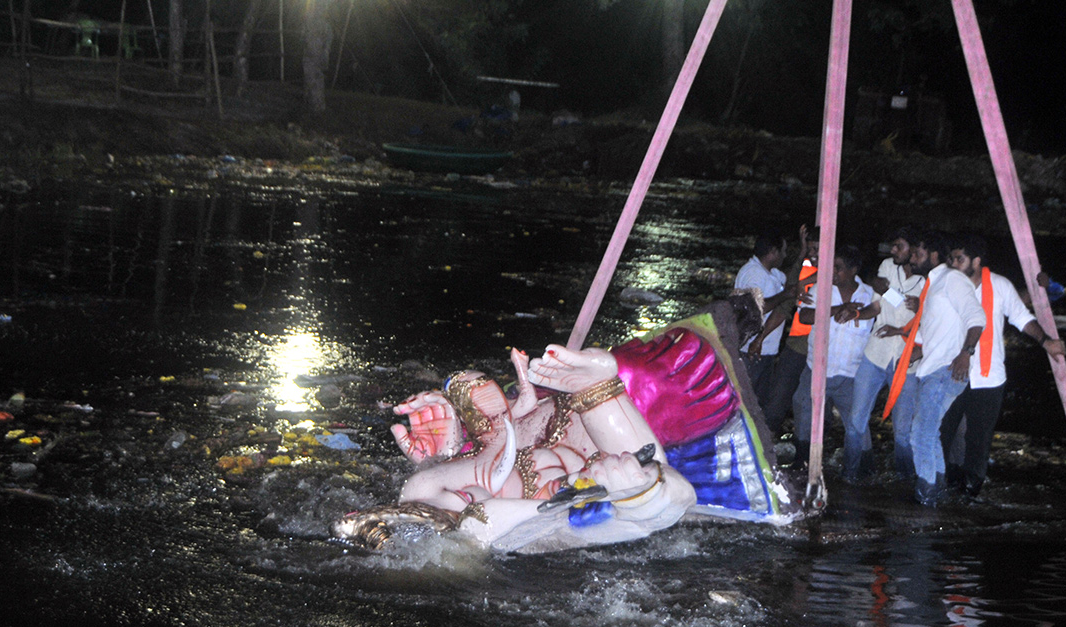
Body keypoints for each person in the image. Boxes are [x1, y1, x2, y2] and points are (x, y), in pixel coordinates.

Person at [333, 294, 798, 552]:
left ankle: (744, 314)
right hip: (638, 410)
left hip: (565, 403)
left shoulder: (472, 470)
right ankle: (744, 318)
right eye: (461, 495)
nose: (458, 490)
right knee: (646, 371)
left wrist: (453, 448)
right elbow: (664, 503)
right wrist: (637, 491)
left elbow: (457, 475)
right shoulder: (514, 526)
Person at [940, 236, 1066, 496]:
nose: (953, 264)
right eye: (951, 259)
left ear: (976, 261)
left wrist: (1046, 342)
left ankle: (971, 492)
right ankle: (942, 485)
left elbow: (1022, 318)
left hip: (989, 378)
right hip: (950, 373)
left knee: (979, 439)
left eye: (959, 259)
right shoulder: (945, 286)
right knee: (942, 433)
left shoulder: (1000, 286)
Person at [892, 231, 986, 505]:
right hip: (935, 367)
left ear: (934, 256)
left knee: (919, 434)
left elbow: (976, 318)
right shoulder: (934, 282)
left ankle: (926, 497)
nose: (913, 258)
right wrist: (916, 353)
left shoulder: (952, 279)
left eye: (918, 253)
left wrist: (966, 354)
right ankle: (937, 492)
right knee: (928, 433)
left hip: (945, 370)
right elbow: (938, 329)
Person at [843, 228, 928, 481]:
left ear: (913, 251)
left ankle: (905, 482)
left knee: (903, 431)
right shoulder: (887, 267)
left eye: (898, 246)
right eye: (893, 246)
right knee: (856, 420)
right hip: (876, 354)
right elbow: (878, 305)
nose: (893, 251)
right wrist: (857, 314)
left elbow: (922, 321)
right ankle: (849, 475)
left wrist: (911, 304)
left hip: (906, 362)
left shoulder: (928, 283)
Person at [789, 246, 875, 478]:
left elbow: (891, 307)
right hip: (816, 369)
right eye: (831, 267)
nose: (833, 273)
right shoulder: (821, 289)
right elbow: (804, 316)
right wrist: (838, 308)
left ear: (854, 270)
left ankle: (861, 471)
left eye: (838, 268)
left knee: (857, 424)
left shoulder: (870, 294)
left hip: (851, 374)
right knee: (804, 410)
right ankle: (802, 462)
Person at [761, 224, 819, 437]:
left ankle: (807, 448)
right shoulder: (804, 267)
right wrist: (761, 337)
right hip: (797, 345)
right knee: (777, 399)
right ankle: (769, 442)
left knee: (810, 403)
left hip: (823, 351)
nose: (812, 255)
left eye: (816, 250)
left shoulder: (840, 274)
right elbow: (785, 306)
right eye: (810, 250)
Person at [734, 233, 795, 402]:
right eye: (782, 251)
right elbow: (755, 307)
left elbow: (789, 278)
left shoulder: (771, 273)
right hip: (752, 350)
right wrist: (784, 295)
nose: (785, 255)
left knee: (759, 400)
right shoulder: (755, 274)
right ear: (773, 252)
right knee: (748, 401)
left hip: (765, 349)